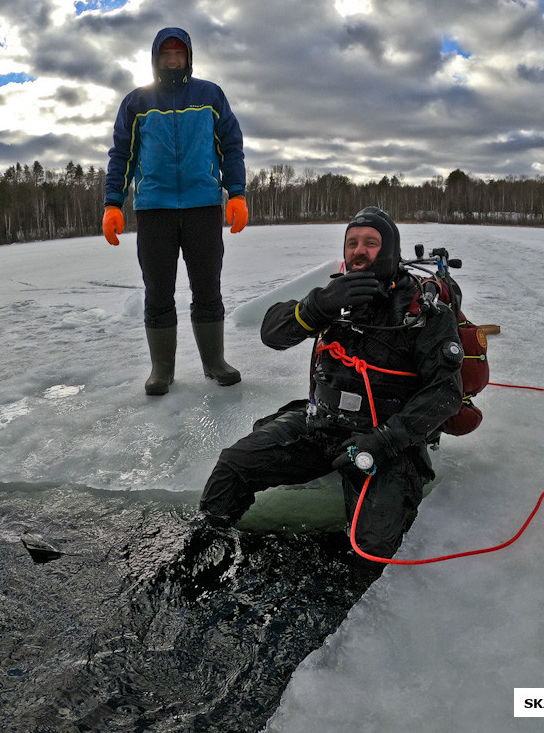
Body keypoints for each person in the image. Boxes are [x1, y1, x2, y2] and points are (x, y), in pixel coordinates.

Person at [199, 207, 464, 565]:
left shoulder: (422, 313)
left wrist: (385, 440)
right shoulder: (333, 300)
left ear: (389, 251)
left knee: (371, 546)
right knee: (233, 465)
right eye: (352, 243)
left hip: (386, 441)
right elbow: (271, 335)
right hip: (319, 424)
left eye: (371, 243)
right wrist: (317, 306)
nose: (359, 250)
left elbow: (446, 393)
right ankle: (203, 551)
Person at [103, 27, 248, 395]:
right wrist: (113, 203)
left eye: (178, 54)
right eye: (165, 54)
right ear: (155, 59)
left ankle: (214, 363)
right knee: (158, 292)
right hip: (154, 209)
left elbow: (231, 145)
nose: (172, 60)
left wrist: (236, 193)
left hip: (202, 206)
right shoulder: (137, 102)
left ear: (188, 57)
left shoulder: (209, 95)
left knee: (207, 288)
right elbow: (123, 154)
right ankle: (161, 370)